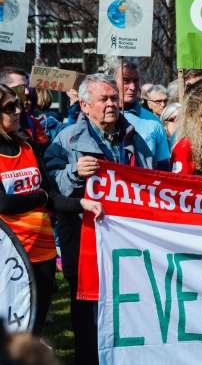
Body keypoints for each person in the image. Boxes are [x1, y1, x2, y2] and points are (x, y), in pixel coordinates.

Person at [45, 74, 154, 365]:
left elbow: (149, 177)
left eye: (114, 98)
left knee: (126, 306)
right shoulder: (66, 139)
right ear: (84, 105)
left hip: (125, 238)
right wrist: (73, 172)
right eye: (104, 99)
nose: (112, 104)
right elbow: (52, 191)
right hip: (83, 240)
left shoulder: (133, 136)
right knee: (87, 310)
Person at [0, 84, 101, 336]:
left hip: (42, 254)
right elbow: (4, 204)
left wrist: (81, 204)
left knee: (34, 329)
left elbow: (52, 196)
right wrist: (41, 196)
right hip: (9, 256)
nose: (17, 111)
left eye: (18, 104)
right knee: (10, 332)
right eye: (8, 107)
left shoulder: (28, 147)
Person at [114, 63, 170, 170]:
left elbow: (164, 169)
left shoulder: (154, 122)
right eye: (126, 81)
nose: (133, 87)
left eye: (135, 81)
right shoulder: (100, 118)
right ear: (113, 82)